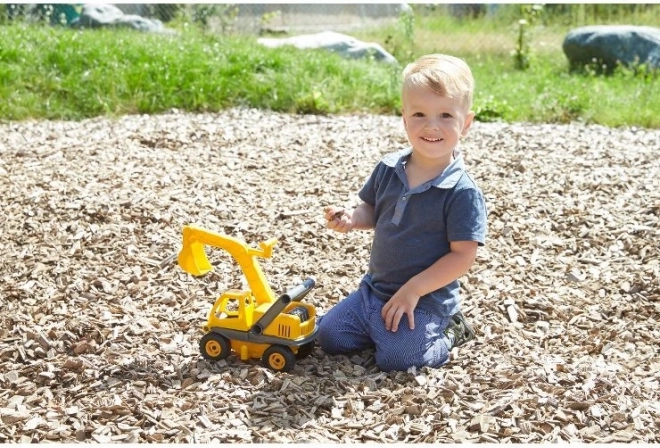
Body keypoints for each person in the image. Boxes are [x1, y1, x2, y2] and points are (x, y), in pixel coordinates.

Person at [317, 54, 487, 372]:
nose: (432, 125)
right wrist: (353, 218)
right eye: (419, 114)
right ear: (404, 119)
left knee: (398, 360)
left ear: (466, 123)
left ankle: (450, 330)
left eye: (446, 115)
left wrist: (414, 290)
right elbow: (373, 210)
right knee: (329, 336)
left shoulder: (461, 191)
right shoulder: (389, 168)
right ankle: (382, 329)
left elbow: (463, 256)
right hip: (375, 291)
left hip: (425, 301)